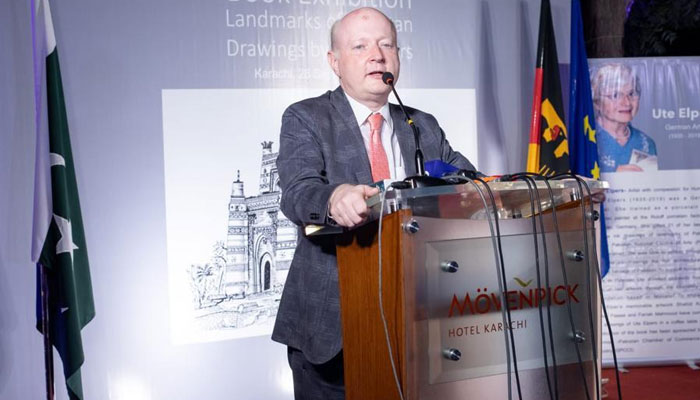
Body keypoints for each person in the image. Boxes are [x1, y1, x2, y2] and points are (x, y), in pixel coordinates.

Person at [271, 7, 476, 399]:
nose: (377, 55)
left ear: (397, 57)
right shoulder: (306, 117)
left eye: (386, 45)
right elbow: (298, 191)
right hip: (332, 331)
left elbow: (470, 182)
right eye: (361, 46)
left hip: (416, 323)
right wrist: (334, 197)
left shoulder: (422, 124)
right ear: (335, 62)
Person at [591, 63, 658, 172]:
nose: (626, 102)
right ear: (597, 102)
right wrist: (614, 173)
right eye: (615, 95)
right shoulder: (585, 139)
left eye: (631, 94)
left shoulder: (646, 143)